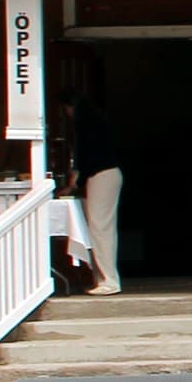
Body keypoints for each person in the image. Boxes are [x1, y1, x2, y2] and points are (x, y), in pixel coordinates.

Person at [74, 97, 125, 295]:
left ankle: (109, 279)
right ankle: (103, 277)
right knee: (100, 227)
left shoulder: (88, 132)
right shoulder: (102, 128)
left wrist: (75, 180)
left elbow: (84, 161)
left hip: (101, 175)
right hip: (107, 174)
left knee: (100, 227)